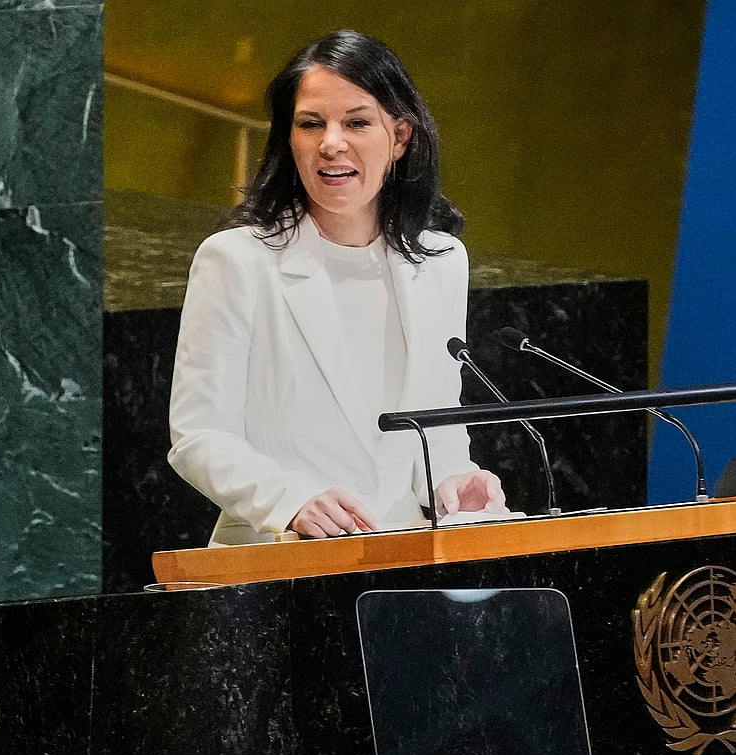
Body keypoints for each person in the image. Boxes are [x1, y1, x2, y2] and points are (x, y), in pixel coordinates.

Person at [168, 30, 507, 545]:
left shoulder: (440, 262)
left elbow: (435, 426)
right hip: (274, 564)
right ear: (289, 138)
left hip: (400, 558)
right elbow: (198, 437)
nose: (331, 143)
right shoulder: (236, 261)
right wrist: (289, 499)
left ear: (399, 138)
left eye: (356, 122)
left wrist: (456, 480)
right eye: (311, 124)